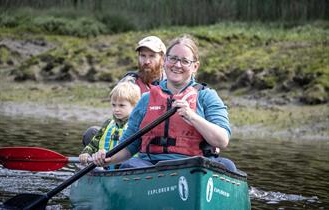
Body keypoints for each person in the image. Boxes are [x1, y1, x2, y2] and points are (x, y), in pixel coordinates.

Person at [92, 34, 237, 172]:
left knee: (228, 166)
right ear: (165, 61)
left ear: (195, 66)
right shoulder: (146, 99)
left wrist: (192, 117)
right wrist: (107, 158)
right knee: (129, 165)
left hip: (195, 166)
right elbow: (129, 147)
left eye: (185, 61)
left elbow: (222, 140)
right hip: (151, 166)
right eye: (173, 58)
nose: (177, 65)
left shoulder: (207, 96)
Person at [82, 35, 166, 146]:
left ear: (163, 59)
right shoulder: (128, 82)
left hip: (159, 138)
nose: (146, 61)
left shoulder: (171, 83)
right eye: (143, 56)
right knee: (91, 133)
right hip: (131, 135)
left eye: (152, 56)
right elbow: (118, 116)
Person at [79, 80, 141, 169]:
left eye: (121, 105)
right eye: (113, 105)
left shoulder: (138, 125)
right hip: (104, 167)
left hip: (126, 169)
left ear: (135, 106)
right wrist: (86, 153)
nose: (116, 109)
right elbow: (94, 144)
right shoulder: (108, 123)